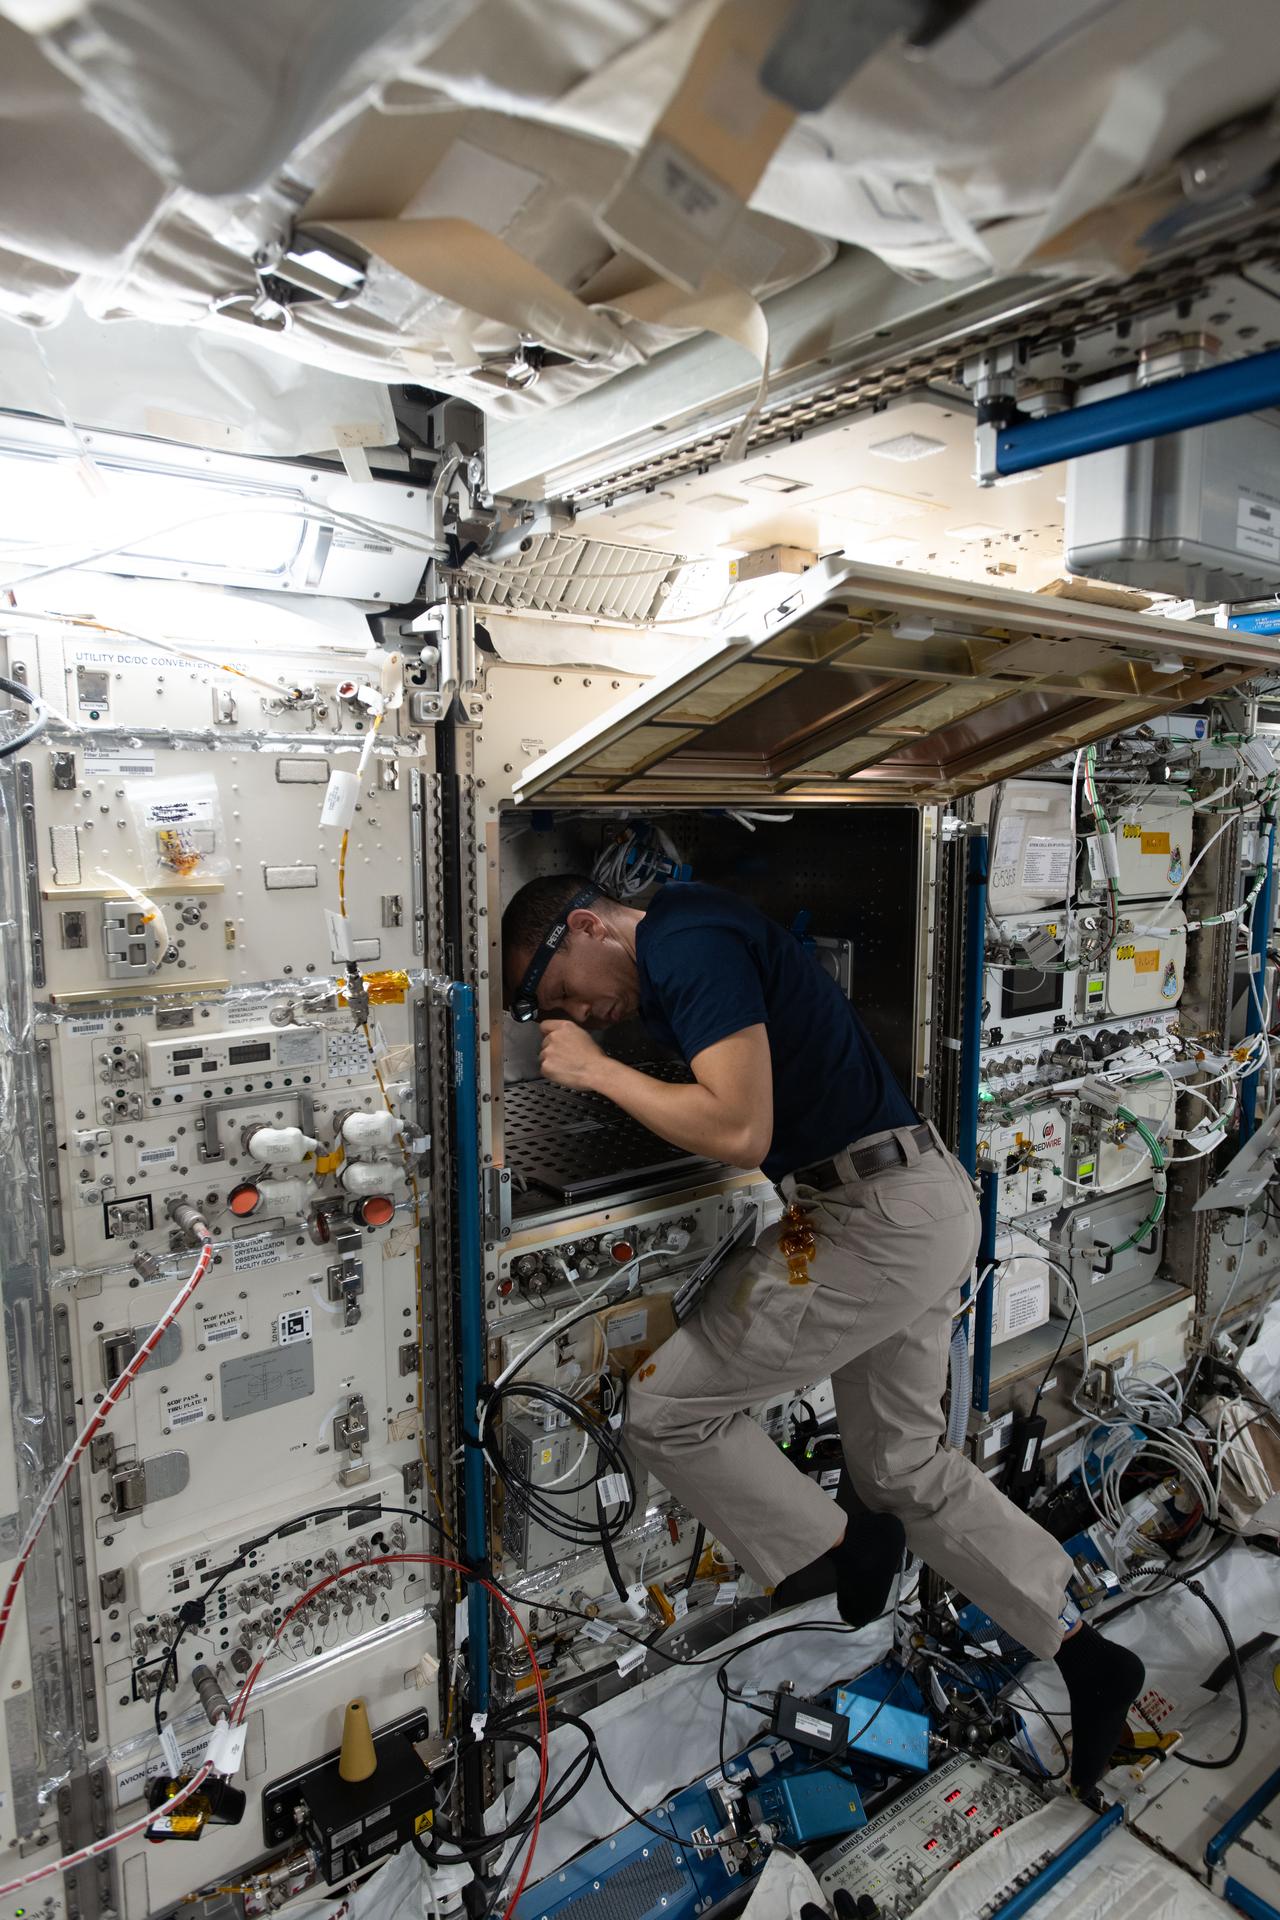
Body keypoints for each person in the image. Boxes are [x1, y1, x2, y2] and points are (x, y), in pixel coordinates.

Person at [501, 872, 1145, 1794]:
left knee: (666, 1413)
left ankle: (842, 1552)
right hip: (909, 1206)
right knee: (902, 1467)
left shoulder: (683, 938)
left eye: (562, 990)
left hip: (869, 1222)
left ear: (588, 924)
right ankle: (1087, 1657)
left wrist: (597, 1071)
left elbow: (738, 1126)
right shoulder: (697, 935)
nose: (580, 1014)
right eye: (559, 1012)